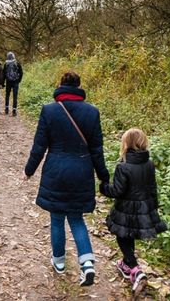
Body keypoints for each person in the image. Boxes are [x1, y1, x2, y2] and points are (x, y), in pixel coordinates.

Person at [24, 72, 109, 286]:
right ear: (79, 87)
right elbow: (97, 150)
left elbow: (39, 146)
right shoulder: (92, 112)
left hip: (56, 170)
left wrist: (29, 170)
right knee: (76, 218)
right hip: (82, 170)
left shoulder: (49, 110)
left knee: (56, 218)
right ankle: (87, 263)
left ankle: (59, 262)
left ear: (61, 85)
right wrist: (103, 176)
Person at [99, 128, 168, 292]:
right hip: (144, 207)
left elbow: (117, 191)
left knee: (122, 237)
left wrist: (103, 187)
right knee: (129, 235)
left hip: (126, 209)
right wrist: (154, 207)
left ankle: (136, 270)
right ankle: (126, 264)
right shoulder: (149, 164)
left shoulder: (123, 167)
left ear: (126, 144)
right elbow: (153, 187)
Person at [2, 52, 24, 116]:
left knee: (7, 95)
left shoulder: (6, 64)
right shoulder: (17, 63)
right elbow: (21, 73)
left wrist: (3, 83)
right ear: (13, 56)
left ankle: (6, 109)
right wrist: (19, 80)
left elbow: (3, 74)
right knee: (15, 96)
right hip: (15, 82)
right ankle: (14, 111)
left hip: (8, 81)